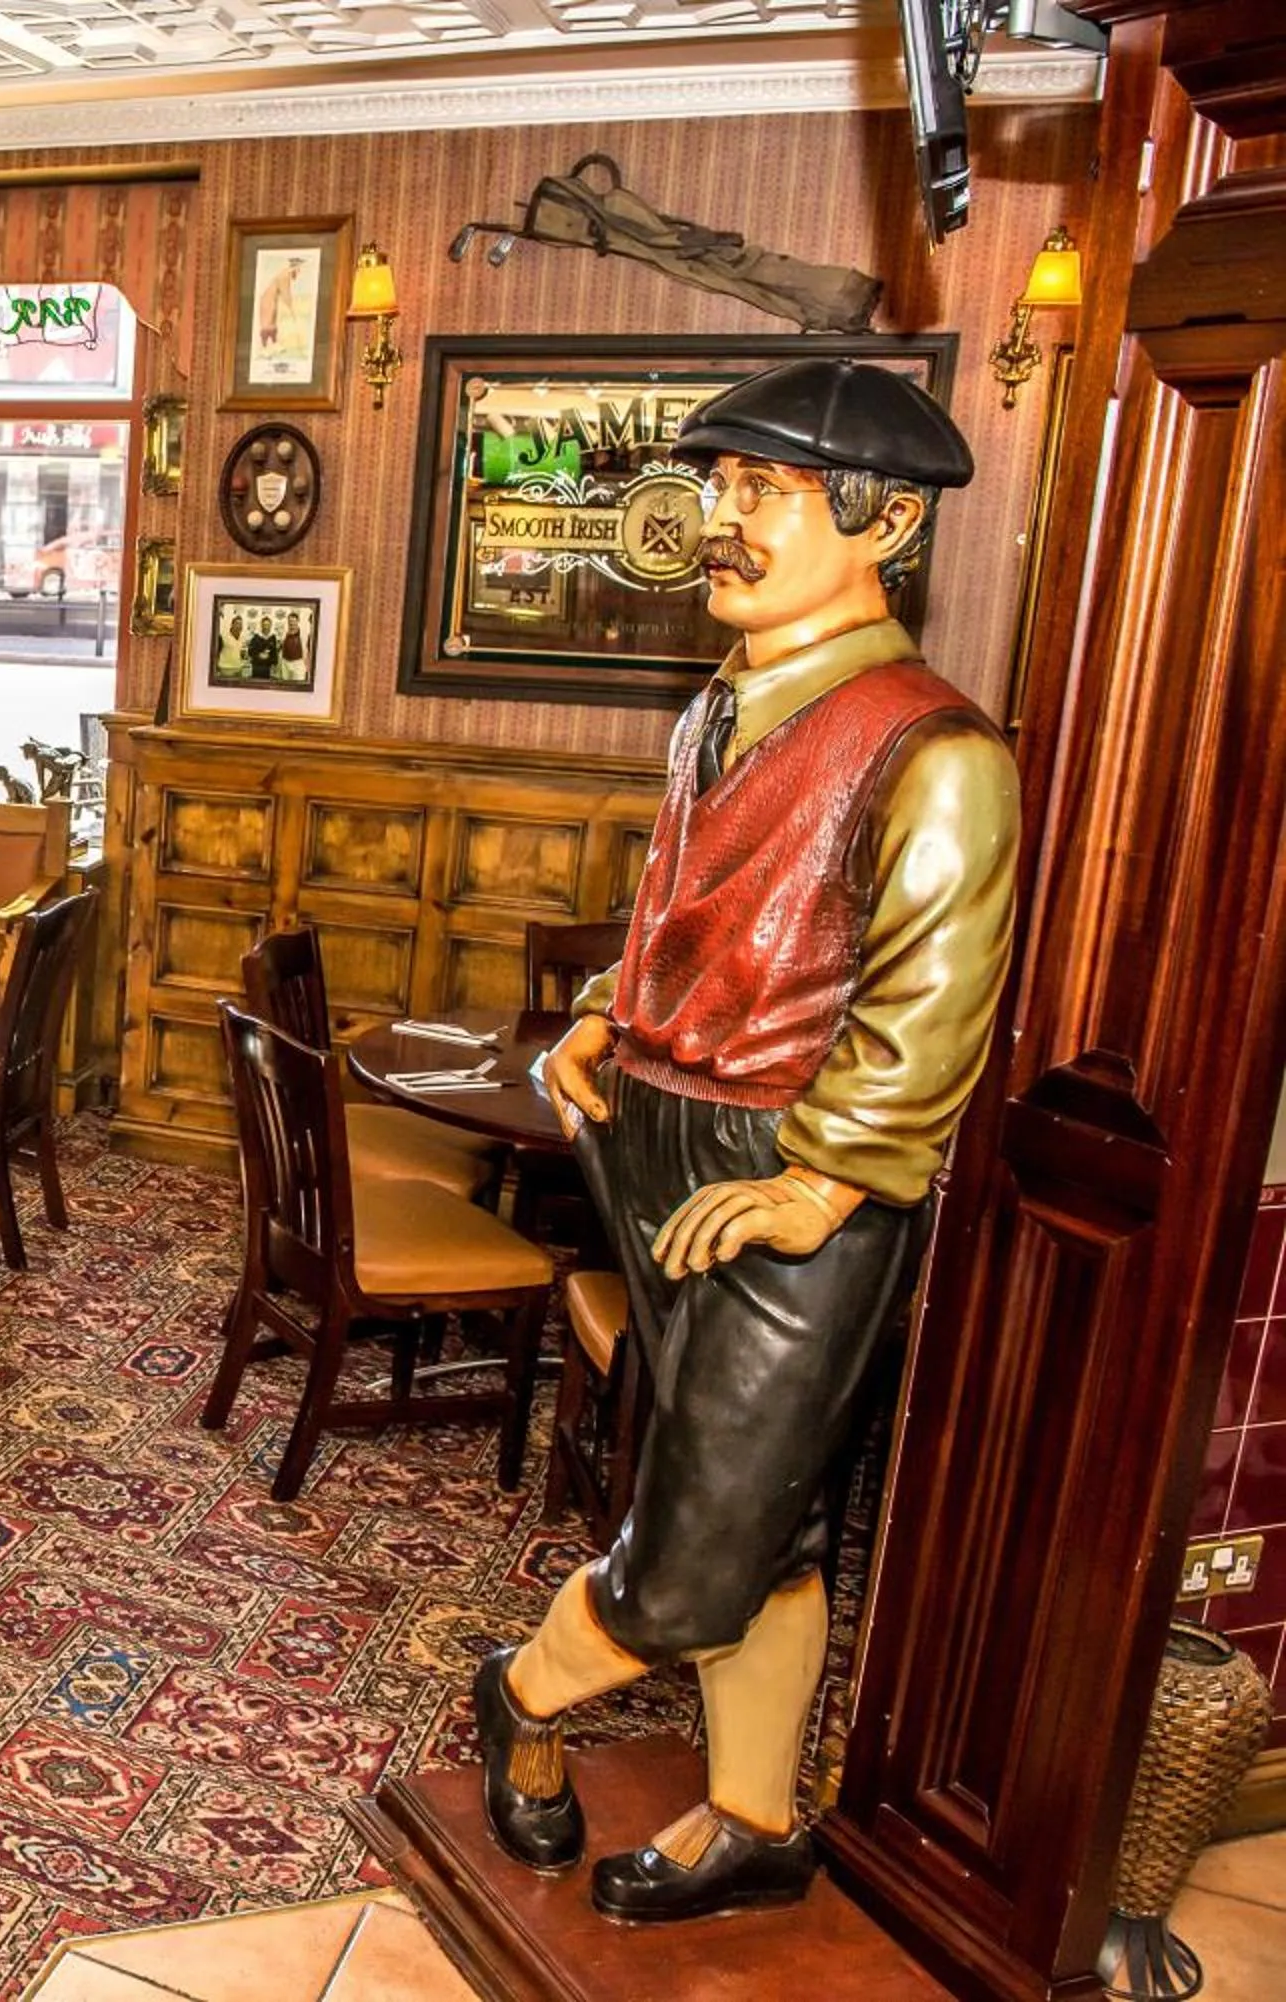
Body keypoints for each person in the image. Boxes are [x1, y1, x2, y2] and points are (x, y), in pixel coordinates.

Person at [475, 358, 1020, 1923]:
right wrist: (601, 1013)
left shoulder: (940, 755)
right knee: (763, 1519)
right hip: (660, 1147)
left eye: (758, 494)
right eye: (717, 488)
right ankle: (759, 1814)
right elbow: (680, 910)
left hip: (785, 1186)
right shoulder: (723, 704)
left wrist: (823, 1180)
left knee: (694, 1547)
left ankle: (518, 1692)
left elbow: (929, 1007)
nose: (716, 522)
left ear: (886, 518)